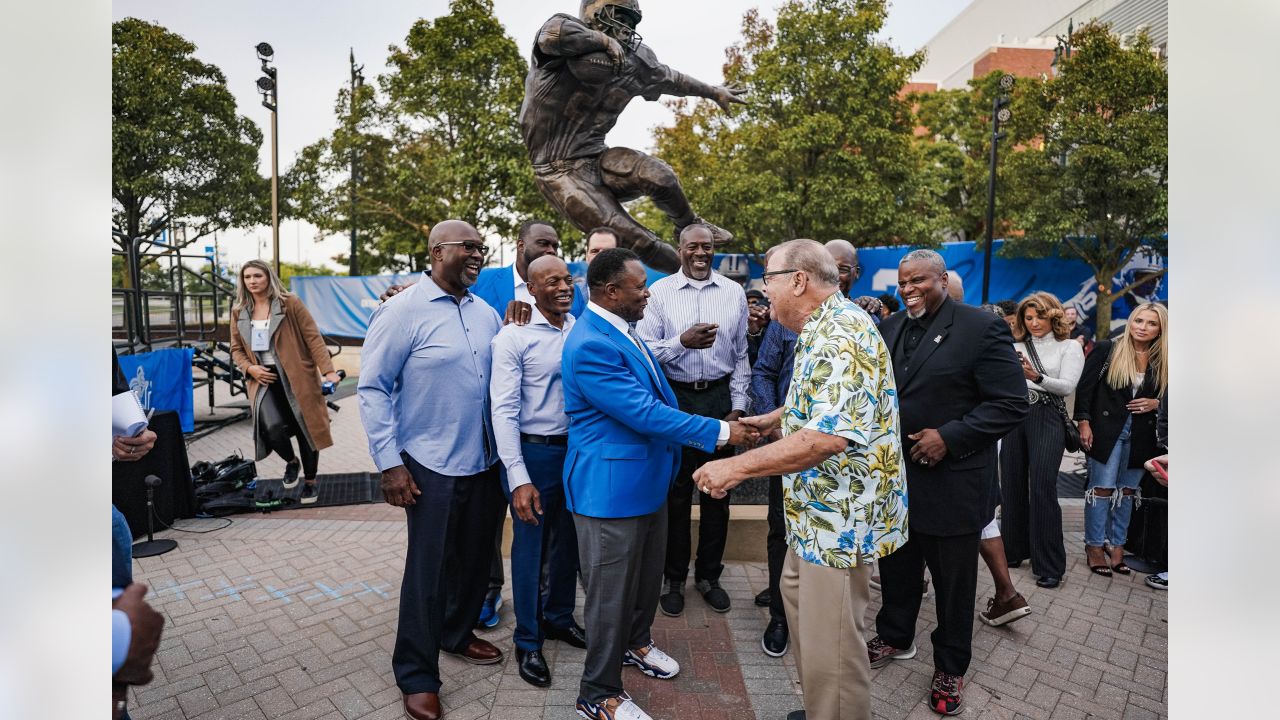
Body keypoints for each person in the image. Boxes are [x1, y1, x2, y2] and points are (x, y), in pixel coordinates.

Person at [695, 238, 907, 720]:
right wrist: (774, 419)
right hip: (813, 514)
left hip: (838, 519)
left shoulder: (841, 334)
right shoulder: (823, 324)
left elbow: (827, 438)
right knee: (795, 597)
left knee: (832, 642)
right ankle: (819, 709)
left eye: (767, 279)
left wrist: (734, 466)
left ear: (798, 279)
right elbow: (829, 403)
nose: (763, 291)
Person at [563, 247, 756, 720]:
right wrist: (721, 431)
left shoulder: (623, 330)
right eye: (638, 286)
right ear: (611, 292)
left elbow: (658, 393)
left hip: (647, 483)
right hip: (609, 493)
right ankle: (598, 693)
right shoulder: (591, 343)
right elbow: (642, 412)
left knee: (644, 582)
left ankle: (636, 644)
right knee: (609, 596)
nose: (647, 292)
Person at [357, 220, 508, 720]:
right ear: (436, 250)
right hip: (428, 462)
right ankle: (417, 674)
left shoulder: (486, 312)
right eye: (469, 247)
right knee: (429, 572)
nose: (477, 255)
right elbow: (373, 389)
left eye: (481, 249)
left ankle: (456, 634)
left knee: (474, 561)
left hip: (483, 461)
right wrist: (390, 464)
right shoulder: (400, 311)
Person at [867, 249, 1028, 716]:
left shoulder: (980, 327)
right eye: (902, 282)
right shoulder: (890, 328)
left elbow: (1011, 403)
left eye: (919, 280)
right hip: (897, 481)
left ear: (942, 279)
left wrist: (950, 437)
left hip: (954, 482)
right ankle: (895, 637)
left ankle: (950, 667)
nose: (909, 289)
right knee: (897, 570)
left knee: (954, 584)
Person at [519, 1, 746, 271]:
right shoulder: (563, 31)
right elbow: (551, 35)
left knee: (660, 175)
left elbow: (672, 78)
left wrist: (712, 91)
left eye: (631, 20)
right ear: (595, 14)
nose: (626, 27)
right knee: (638, 239)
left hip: (594, 154)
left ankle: (690, 225)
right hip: (556, 169)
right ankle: (692, 281)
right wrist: (601, 40)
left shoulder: (635, 59)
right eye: (620, 16)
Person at [635, 224, 752, 616]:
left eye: (707, 247)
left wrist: (737, 405)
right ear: (679, 250)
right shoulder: (660, 293)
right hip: (675, 397)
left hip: (720, 398)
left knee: (719, 493)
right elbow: (646, 352)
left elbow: (740, 355)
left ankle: (709, 576)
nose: (700, 253)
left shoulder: (733, 292)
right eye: (692, 247)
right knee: (677, 493)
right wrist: (680, 343)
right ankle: (673, 579)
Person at [489, 255, 588, 688]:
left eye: (568, 279)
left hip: (576, 452)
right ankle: (528, 640)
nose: (565, 287)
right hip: (534, 454)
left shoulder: (578, 328)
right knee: (530, 550)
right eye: (553, 281)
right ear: (531, 289)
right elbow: (503, 410)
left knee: (568, 542)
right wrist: (518, 476)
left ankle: (558, 618)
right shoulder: (514, 337)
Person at [229, 260, 341, 504]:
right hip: (263, 378)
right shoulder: (240, 311)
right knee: (271, 428)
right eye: (247, 277)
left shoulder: (289, 303)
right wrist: (250, 368)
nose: (252, 281)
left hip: (297, 376)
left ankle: (310, 482)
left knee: (306, 428)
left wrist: (329, 372)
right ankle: (292, 462)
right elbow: (236, 349)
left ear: (268, 277)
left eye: (257, 275)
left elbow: (313, 338)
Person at [1074, 303, 1167, 578]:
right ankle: (1093, 546)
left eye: (1151, 323)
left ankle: (1117, 547)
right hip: (1107, 429)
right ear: (1130, 321)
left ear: (1160, 328)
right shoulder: (1108, 348)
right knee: (1101, 488)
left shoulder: (1164, 359)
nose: (1142, 326)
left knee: (1127, 492)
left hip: (1143, 433)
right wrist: (1083, 422)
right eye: (1138, 320)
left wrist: (1157, 402)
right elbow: (1085, 388)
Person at [1000, 292, 1085, 589]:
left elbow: (1066, 386)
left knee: (1042, 488)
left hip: (1047, 418)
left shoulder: (1069, 347)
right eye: (1029, 317)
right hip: (1014, 416)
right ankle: (1012, 550)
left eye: (1041, 316)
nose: (1034, 323)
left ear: (1055, 316)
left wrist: (1036, 377)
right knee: (1010, 485)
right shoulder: (1014, 345)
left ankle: (1049, 565)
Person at [745, 288, 770, 365]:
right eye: (748, 302)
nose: (750, 305)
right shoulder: (742, 322)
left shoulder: (769, 323)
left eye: (754, 302)